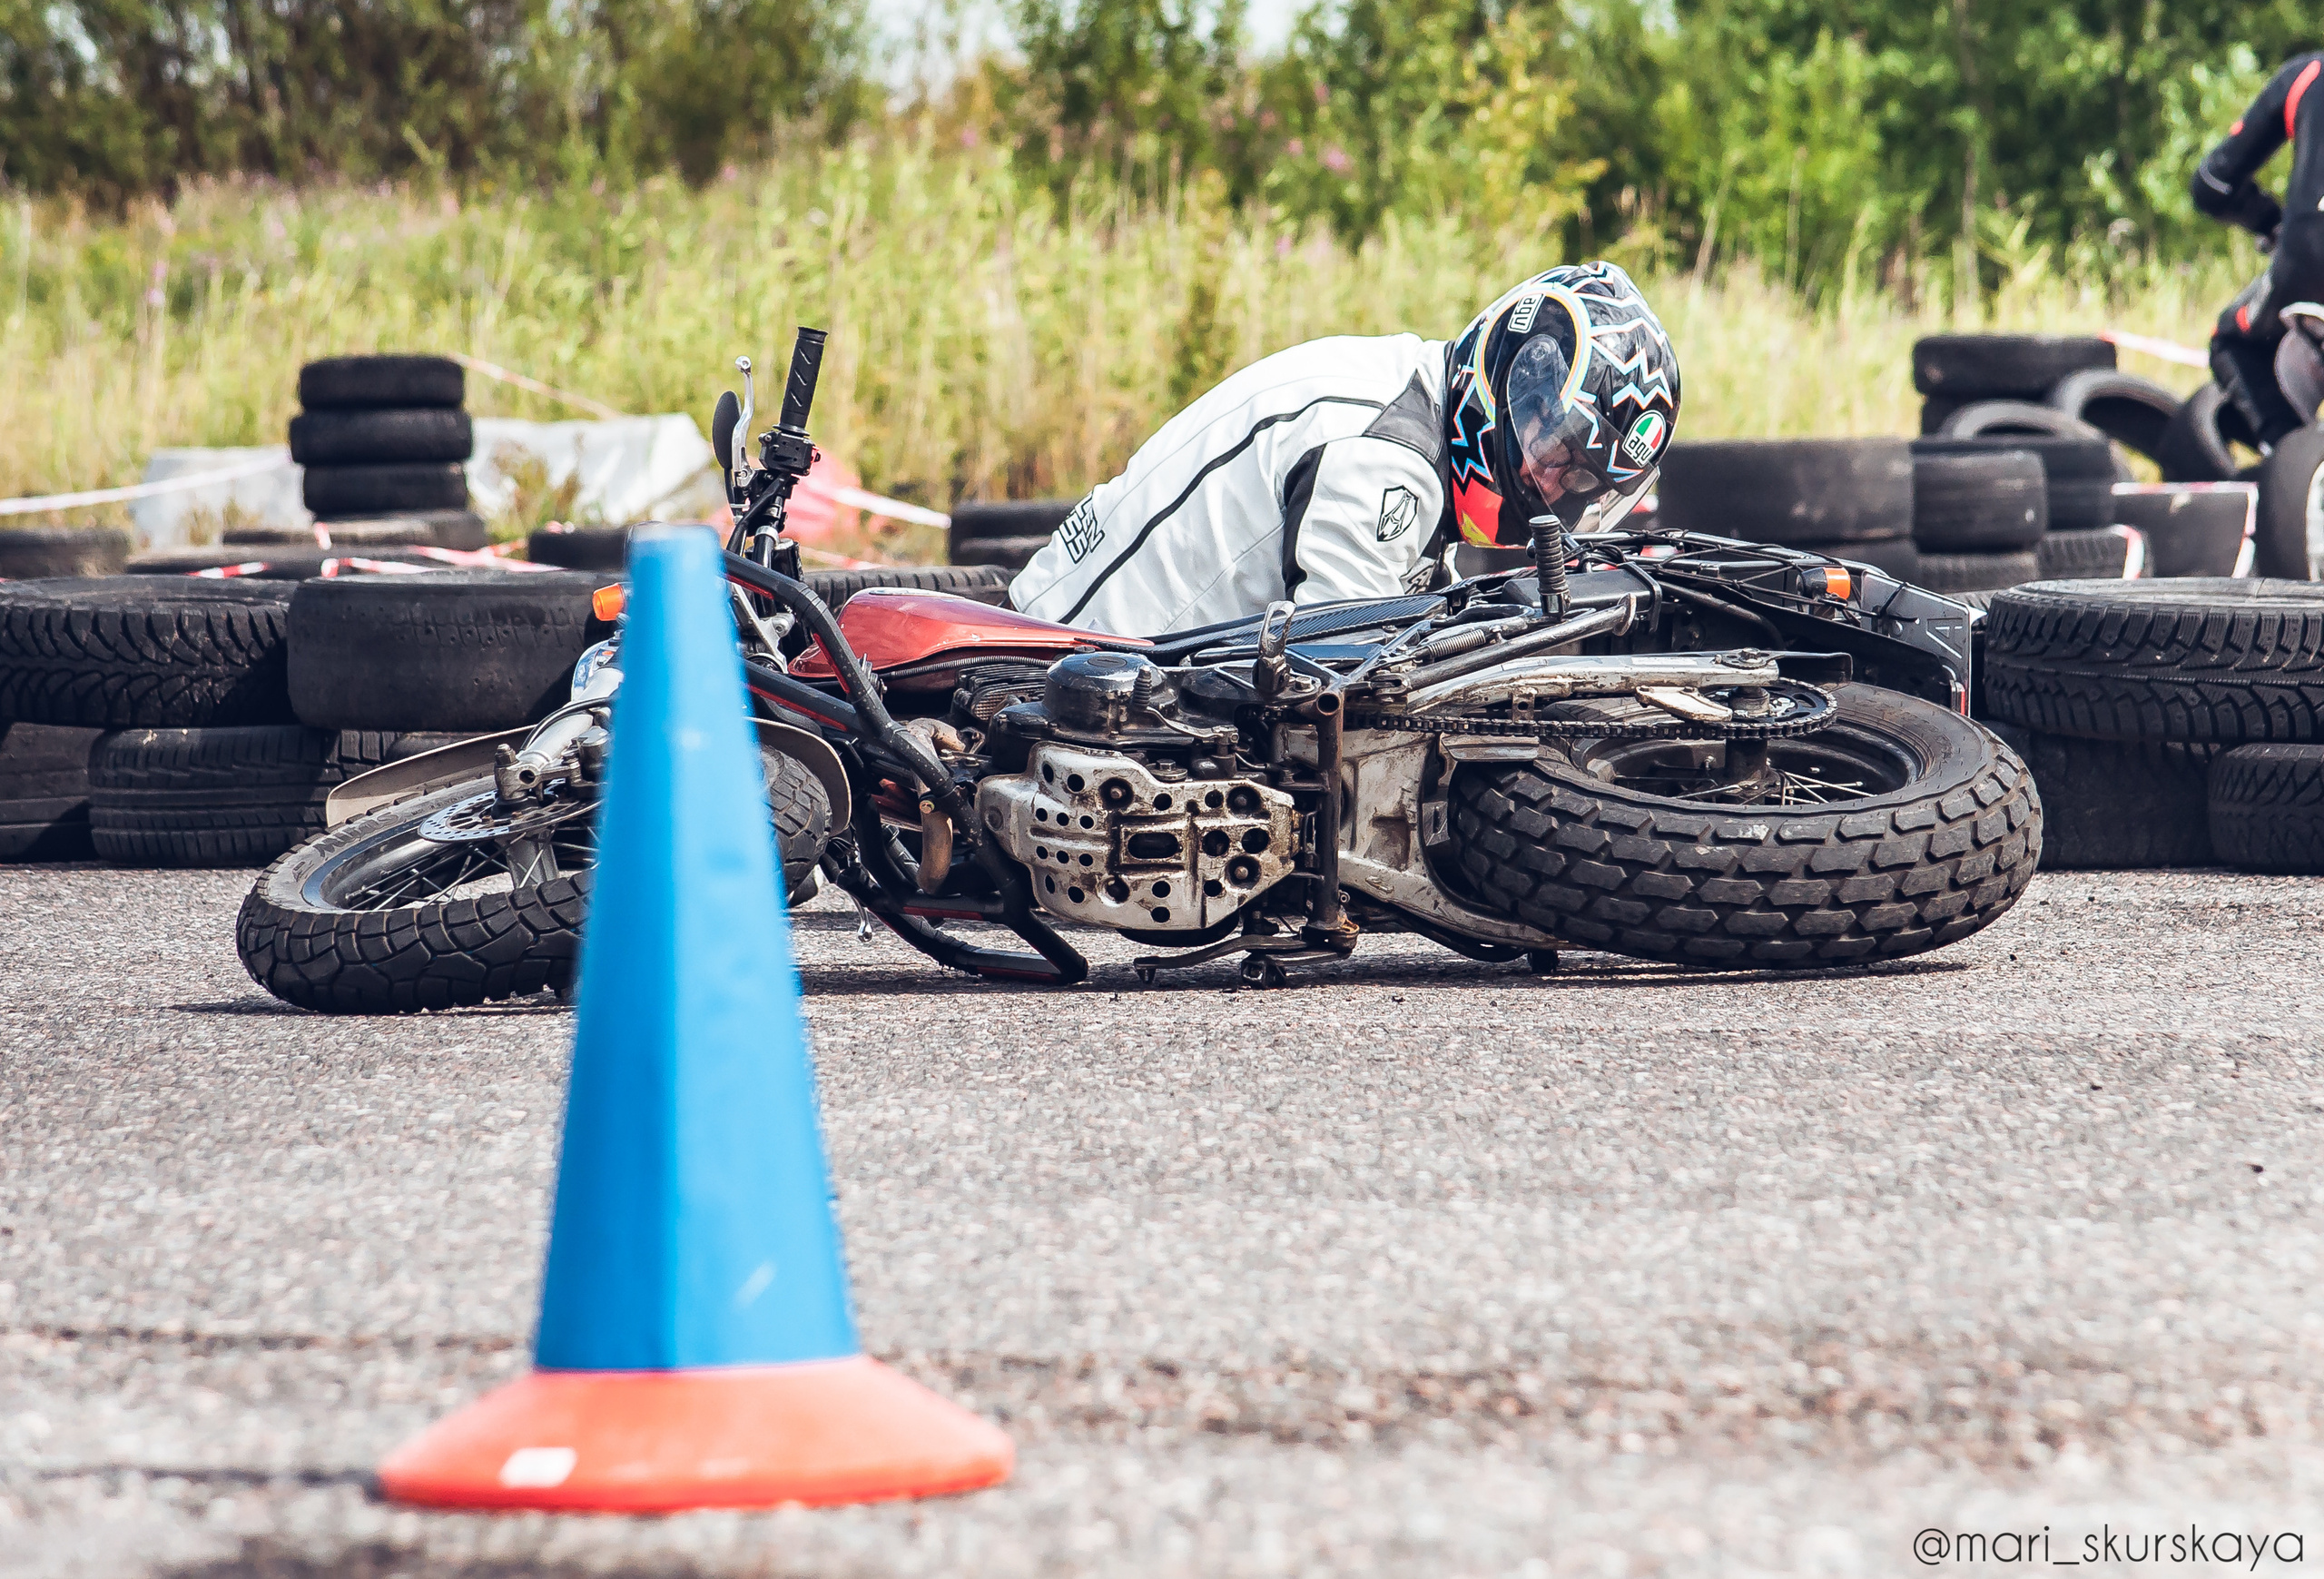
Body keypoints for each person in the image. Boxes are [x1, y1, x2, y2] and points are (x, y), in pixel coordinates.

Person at [1009, 261, 1681, 637]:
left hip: (1123, 678)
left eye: (1581, 481)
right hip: (1055, 681)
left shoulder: (1410, 394)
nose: (1553, 482)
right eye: (1556, 446)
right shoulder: (1387, 454)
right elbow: (1339, 669)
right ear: (1514, 372)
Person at [2192, 50, 2324, 447]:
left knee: (2232, 342)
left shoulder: (2309, 74)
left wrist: (2270, 221)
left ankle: (2294, 460)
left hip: (2308, 265)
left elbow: (2213, 184)